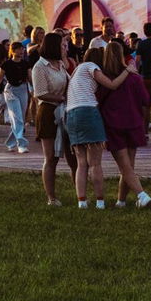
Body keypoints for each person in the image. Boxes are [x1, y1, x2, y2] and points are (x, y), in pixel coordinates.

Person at [65, 46, 127, 208]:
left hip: (71, 114)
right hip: (88, 112)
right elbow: (112, 84)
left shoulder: (77, 70)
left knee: (81, 163)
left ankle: (82, 202)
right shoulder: (92, 67)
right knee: (95, 163)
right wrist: (128, 71)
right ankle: (100, 202)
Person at [98, 42, 151, 207]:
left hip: (113, 124)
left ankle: (142, 196)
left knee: (124, 164)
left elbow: (98, 100)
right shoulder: (134, 77)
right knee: (129, 164)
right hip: (134, 123)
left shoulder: (103, 78)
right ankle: (121, 201)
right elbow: (146, 100)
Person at [32, 32, 72, 205]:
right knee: (51, 158)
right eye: (63, 45)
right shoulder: (40, 67)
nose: (65, 48)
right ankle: (51, 197)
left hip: (65, 111)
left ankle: (80, 193)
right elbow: (40, 93)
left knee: (73, 155)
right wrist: (61, 98)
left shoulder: (61, 64)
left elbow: (69, 82)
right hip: (48, 112)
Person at [0, 40, 31, 153]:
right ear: (13, 50)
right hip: (10, 91)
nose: (21, 51)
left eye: (22, 49)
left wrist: (35, 90)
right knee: (17, 117)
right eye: (19, 49)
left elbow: (30, 79)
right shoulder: (6, 64)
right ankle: (21, 144)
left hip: (23, 89)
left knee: (19, 118)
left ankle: (10, 143)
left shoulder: (26, 64)